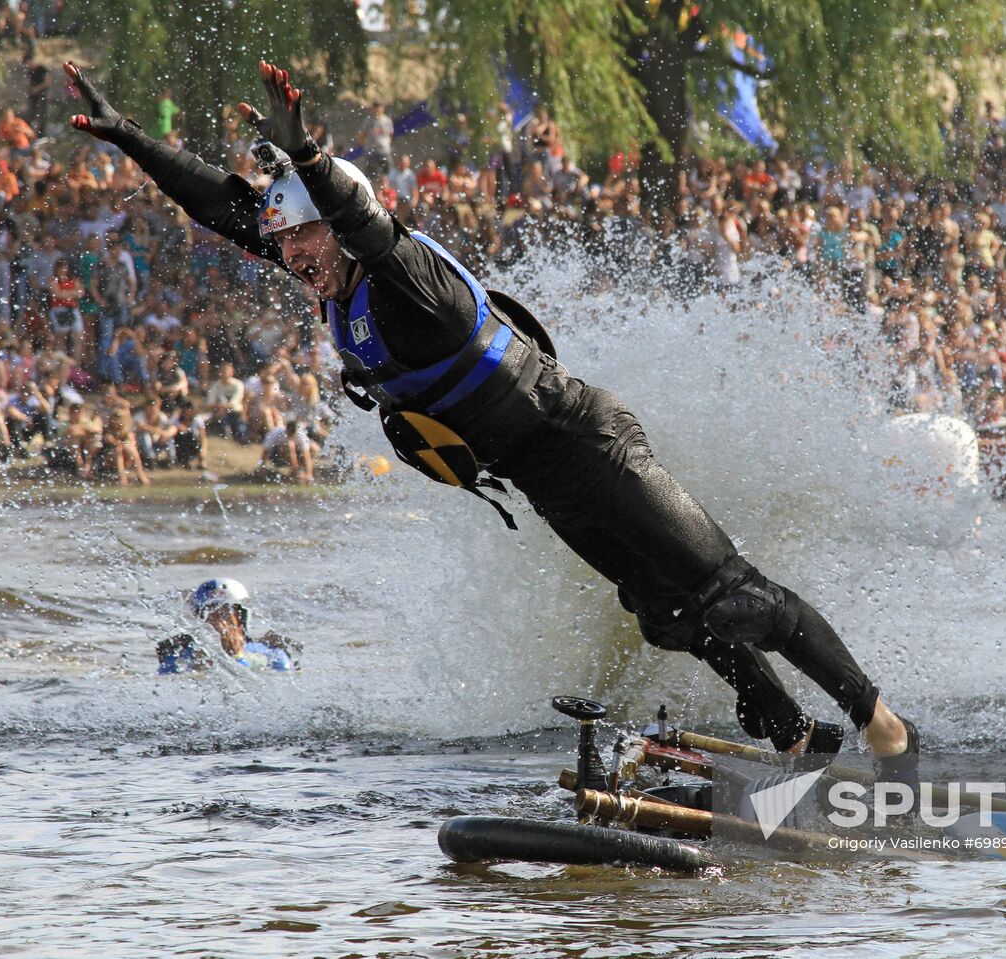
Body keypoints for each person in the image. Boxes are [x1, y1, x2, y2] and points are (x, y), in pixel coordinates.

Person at [69, 61, 918, 785]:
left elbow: (365, 220)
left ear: (343, 229)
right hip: (545, 481)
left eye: (302, 240)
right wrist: (131, 139)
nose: (288, 256)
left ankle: (882, 725)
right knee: (671, 618)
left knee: (738, 596)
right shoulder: (325, 273)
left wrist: (305, 151)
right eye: (282, 243)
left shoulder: (406, 277)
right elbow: (222, 207)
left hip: (590, 442)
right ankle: (795, 739)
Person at [157, 578, 300, 674]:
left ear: (241, 617)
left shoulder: (270, 654)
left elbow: (275, 674)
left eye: (225, 612)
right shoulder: (180, 655)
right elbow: (169, 677)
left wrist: (236, 655)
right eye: (211, 612)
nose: (217, 620)